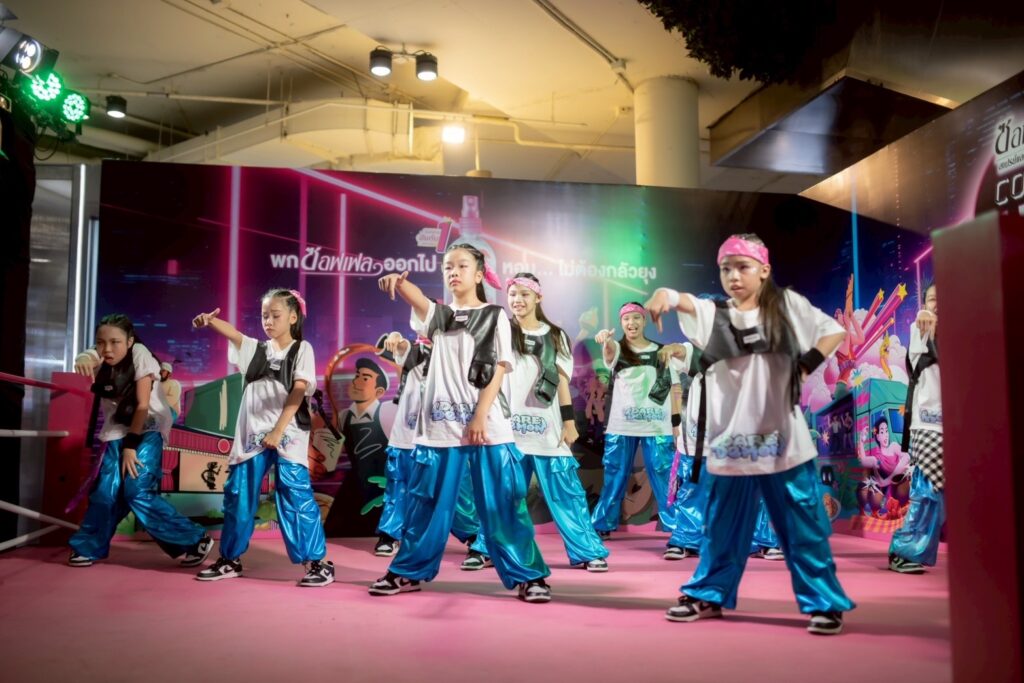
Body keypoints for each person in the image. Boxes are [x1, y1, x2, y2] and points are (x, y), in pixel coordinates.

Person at [646, 233, 855, 635]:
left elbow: (832, 331)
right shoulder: (715, 315)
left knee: (803, 527)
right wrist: (664, 294)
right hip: (731, 446)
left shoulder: (787, 307)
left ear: (764, 269)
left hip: (784, 444)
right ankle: (708, 594)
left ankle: (824, 603)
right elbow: (685, 301)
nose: (733, 276)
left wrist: (805, 365)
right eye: (726, 268)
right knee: (721, 529)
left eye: (743, 267)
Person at [368, 243, 552, 602]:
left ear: (480, 274)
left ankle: (529, 576)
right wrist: (400, 284)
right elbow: (419, 300)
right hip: (439, 429)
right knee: (426, 504)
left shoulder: (496, 316)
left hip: (488, 426)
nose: (453, 272)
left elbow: (499, 368)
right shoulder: (438, 316)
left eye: (462, 266)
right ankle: (407, 572)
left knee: (504, 504)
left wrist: (480, 414)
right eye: (448, 267)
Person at [191, 289, 334, 587]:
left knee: (295, 496)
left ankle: (317, 563)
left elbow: (299, 390)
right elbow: (235, 335)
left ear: (293, 317)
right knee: (238, 496)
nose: (268, 321)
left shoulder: (302, 349)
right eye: (264, 315)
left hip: (288, 434)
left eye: (275, 315)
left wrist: (278, 430)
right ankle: (230, 559)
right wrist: (210, 321)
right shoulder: (255, 350)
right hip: (251, 436)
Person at [68, 314, 212, 568]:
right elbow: (90, 355)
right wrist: (83, 357)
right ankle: (88, 546)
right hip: (116, 430)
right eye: (101, 342)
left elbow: (143, 406)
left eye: (115, 342)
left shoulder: (141, 354)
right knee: (105, 491)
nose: (107, 349)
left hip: (147, 427)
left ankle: (194, 539)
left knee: (137, 490)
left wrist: (131, 447)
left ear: (129, 341)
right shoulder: (101, 354)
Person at [505, 273, 609, 572]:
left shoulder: (555, 335)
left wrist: (569, 422)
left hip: (547, 428)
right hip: (507, 429)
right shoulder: (501, 330)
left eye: (524, 294)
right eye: (513, 294)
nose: (517, 300)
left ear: (538, 297)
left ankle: (587, 551)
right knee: (504, 496)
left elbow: (563, 382)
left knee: (567, 494)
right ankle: (487, 549)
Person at [374, 332, 491, 565]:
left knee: (458, 491)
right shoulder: (417, 351)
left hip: (446, 433)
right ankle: (391, 533)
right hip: (407, 435)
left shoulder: (462, 352)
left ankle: (472, 534)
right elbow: (397, 347)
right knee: (399, 486)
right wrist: (396, 338)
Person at [590, 303, 681, 538]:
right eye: (626, 319)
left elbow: (674, 387)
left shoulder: (661, 351)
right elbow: (609, 352)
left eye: (636, 318)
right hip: (622, 425)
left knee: (664, 475)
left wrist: (676, 423)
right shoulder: (617, 349)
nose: (631, 323)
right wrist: (606, 341)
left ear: (644, 320)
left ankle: (678, 528)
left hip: (656, 426)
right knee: (614, 474)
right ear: (621, 323)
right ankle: (602, 524)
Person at [889, 283, 944, 574]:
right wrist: (925, 314)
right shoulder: (920, 327)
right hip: (929, 423)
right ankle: (903, 551)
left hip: (958, 424)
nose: (938, 303)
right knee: (928, 491)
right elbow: (924, 320)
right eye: (933, 298)